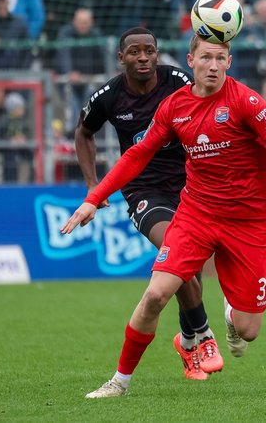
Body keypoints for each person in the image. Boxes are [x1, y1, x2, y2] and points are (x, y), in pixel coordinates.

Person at [62, 34, 266, 399]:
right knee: (155, 295)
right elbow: (136, 155)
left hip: (249, 220)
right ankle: (119, 382)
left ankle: (228, 319)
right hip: (197, 213)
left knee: (249, 330)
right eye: (206, 58)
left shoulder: (245, 101)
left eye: (220, 58)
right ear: (190, 61)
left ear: (229, 61)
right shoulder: (174, 106)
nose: (212, 66)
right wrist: (93, 197)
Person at [73, 27, 221, 383]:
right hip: (143, 191)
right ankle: (202, 335)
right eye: (135, 52)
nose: (143, 58)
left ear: (157, 54)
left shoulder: (179, 80)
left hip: (191, 188)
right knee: (176, 248)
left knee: (190, 270)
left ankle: (186, 342)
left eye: (149, 51)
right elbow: (83, 132)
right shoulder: (108, 97)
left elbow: (209, 106)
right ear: (121, 58)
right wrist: (93, 185)